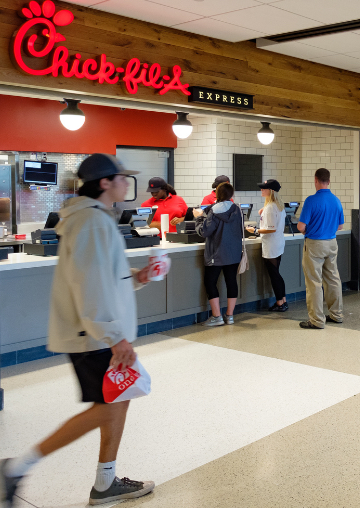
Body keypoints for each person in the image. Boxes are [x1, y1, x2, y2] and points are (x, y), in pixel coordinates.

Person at [1, 154, 158, 507]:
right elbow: (89, 286)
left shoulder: (96, 219)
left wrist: (138, 277)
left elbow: (104, 278)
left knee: (118, 401)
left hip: (99, 332)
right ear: (104, 183)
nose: (125, 183)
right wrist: (114, 336)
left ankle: (105, 482)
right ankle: (17, 467)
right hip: (95, 336)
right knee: (107, 407)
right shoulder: (90, 221)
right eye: (121, 177)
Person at [297, 168, 344, 329]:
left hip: (315, 244)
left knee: (314, 282)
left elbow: (301, 226)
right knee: (333, 279)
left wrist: (307, 230)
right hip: (331, 243)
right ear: (329, 181)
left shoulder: (311, 200)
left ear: (315, 180)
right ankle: (336, 314)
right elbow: (340, 226)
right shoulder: (336, 200)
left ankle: (317, 320)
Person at [194, 182, 243, 326]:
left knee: (210, 282)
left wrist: (199, 217)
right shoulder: (237, 209)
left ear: (216, 194)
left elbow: (204, 231)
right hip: (233, 253)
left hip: (216, 253)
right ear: (231, 194)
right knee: (231, 281)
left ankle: (217, 316)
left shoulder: (213, 211)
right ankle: (230, 316)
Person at [246, 179, 287, 312]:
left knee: (274, 275)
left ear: (271, 191)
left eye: (264, 188)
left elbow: (271, 228)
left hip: (271, 244)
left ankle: (280, 302)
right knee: (277, 273)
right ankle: (283, 300)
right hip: (278, 243)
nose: (261, 190)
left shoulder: (270, 208)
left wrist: (255, 230)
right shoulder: (277, 205)